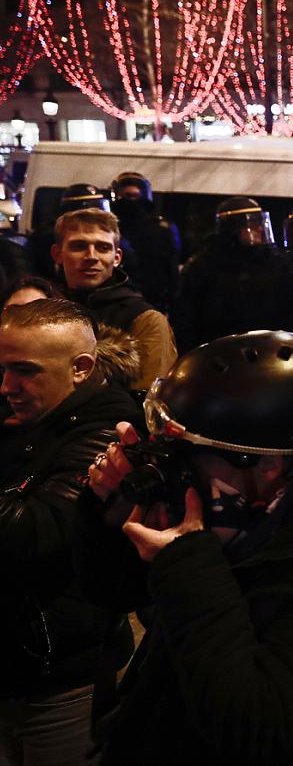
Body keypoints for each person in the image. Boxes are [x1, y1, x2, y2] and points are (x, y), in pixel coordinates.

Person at [78, 330, 293, 765]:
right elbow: (105, 591)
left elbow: (257, 728)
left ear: (269, 464)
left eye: (189, 453)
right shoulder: (241, 520)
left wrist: (186, 563)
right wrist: (111, 511)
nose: (176, 467)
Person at [0, 299, 139, 766]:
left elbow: (33, 532)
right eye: (3, 369)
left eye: (24, 371)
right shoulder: (32, 417)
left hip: (59, 664)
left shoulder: (111, 432)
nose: (7, 387)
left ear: (80, 368)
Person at [50, 208, 177, 391]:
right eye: (79, 246)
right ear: (57, 254)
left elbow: (149, 401)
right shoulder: (45, 307)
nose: (91, 257)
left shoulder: (146, 320)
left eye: (103, 248)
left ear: (116, 258)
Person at [173, 196, 293, 350]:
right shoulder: (202, 267)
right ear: (232, 228)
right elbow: (185, 319)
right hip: (217, 352)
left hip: (268, 350)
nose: (261, 228)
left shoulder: (278, 265)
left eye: (260, 222)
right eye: (254, 223)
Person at [109, 172, 180, 311]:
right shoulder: (110, 229)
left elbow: (172, 271)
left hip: (152, 301)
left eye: (132, 195)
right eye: (123, 196)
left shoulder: (162, 229)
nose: (128, 201)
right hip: (117, 301)